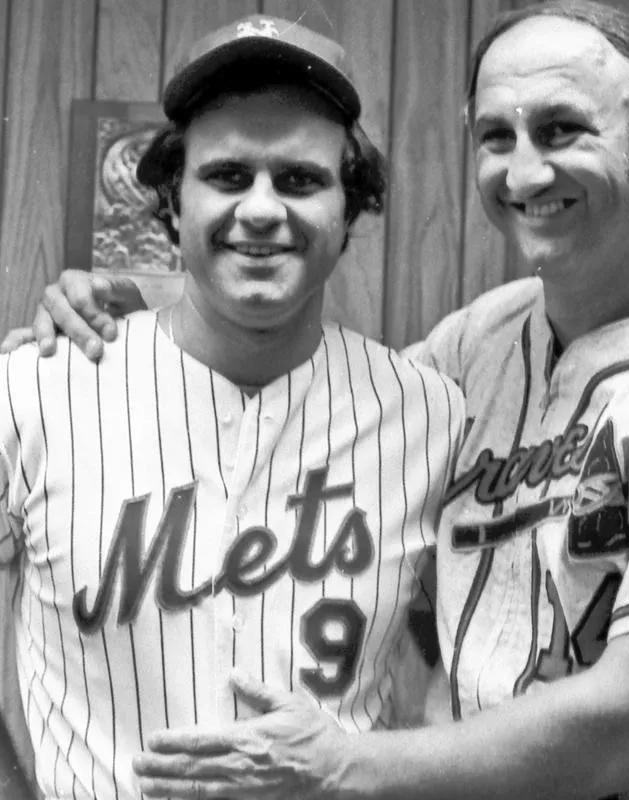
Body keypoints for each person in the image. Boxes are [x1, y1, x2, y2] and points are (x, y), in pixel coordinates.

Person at [7, 1, 629, 798]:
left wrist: (341, 766)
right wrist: (148, 297)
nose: (524, 172)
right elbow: (285, 348)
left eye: (563, 130)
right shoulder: (476, 349)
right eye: (497, 136)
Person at [0, 14, 464, 800]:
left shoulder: (429, 415)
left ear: (349, 212)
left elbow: (454, 659)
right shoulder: (33, 390)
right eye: (227, 175)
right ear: (173, 204)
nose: (259, 209)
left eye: (299, 180)